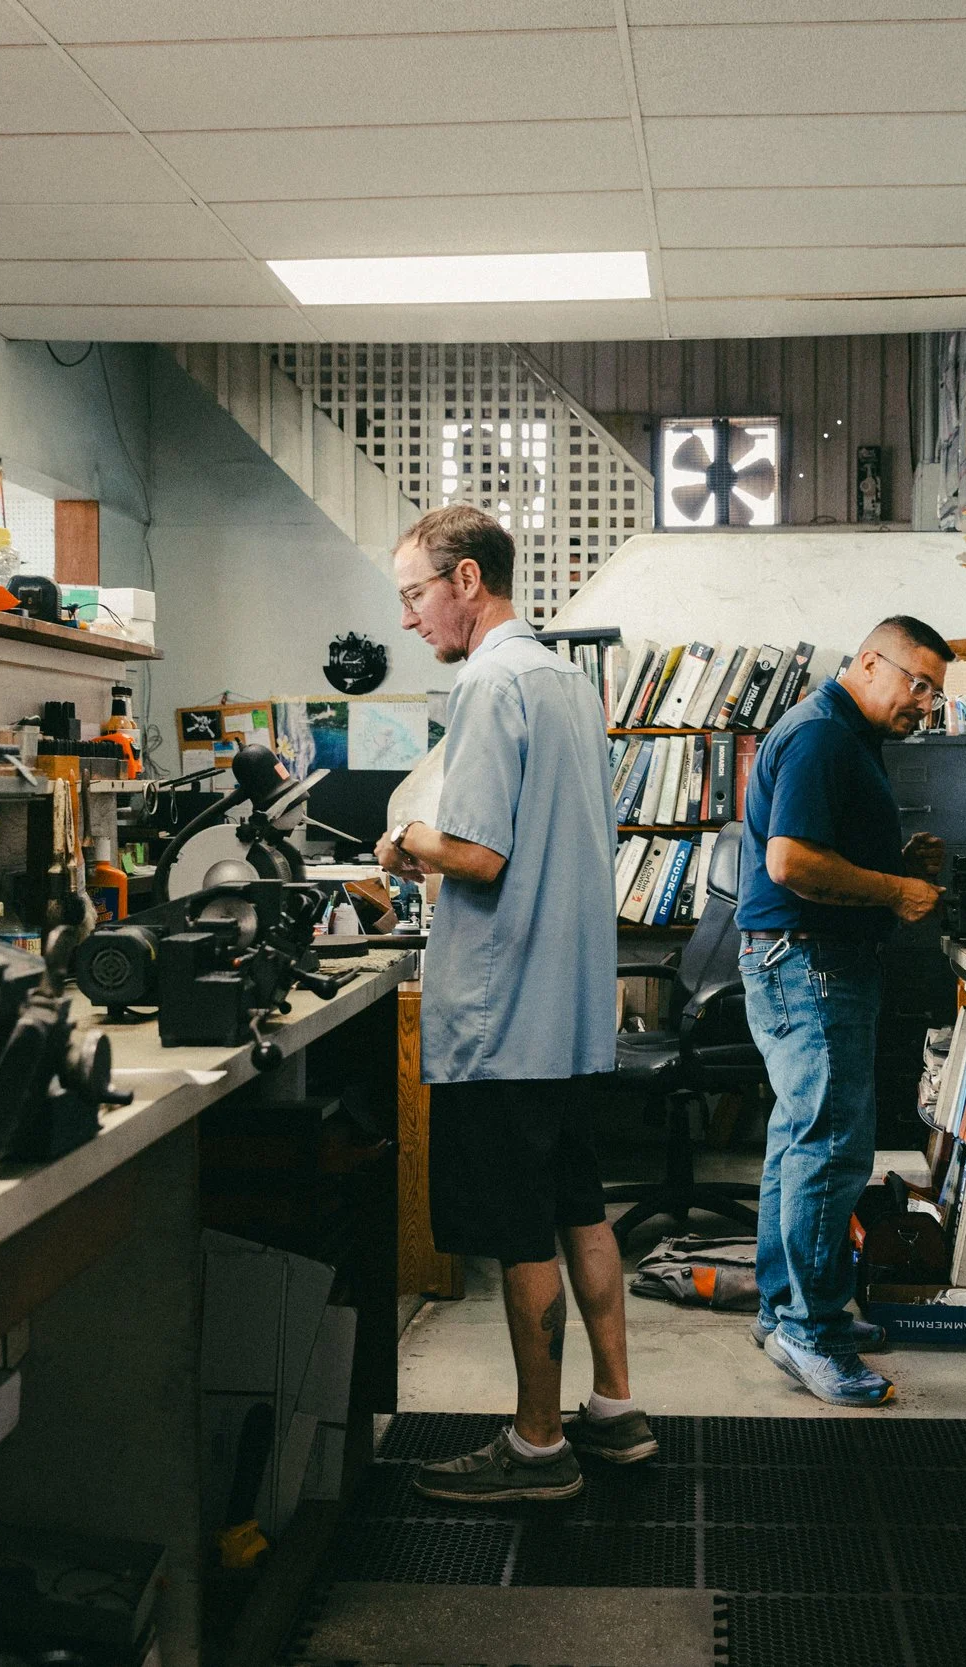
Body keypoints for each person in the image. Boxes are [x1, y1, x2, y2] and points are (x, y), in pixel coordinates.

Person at [372, 505, 652, 1500]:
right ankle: (614, 1409)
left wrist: (404, 838)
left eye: (414, 593)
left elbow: (479, 854)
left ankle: (537, 1444)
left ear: (467, 580)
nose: (409, 618)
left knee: (520, 1226)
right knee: (580, 1204)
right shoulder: (565, 679)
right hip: (569, 1007)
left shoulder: (489, 681)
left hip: (503, 1014)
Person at [734, 616, 952, 1407]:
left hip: (800, 955)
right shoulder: (825, 736)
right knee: (830, 1146)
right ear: (868, 662)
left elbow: (821, 848)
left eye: (935, 690)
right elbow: (790, 861)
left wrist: (896, 863)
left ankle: (783, 1307)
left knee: (799, 1136)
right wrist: (896, 892)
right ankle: (812, 1329)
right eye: (916, 682)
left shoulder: (843, 733)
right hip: (810, 958)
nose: (925, 703)